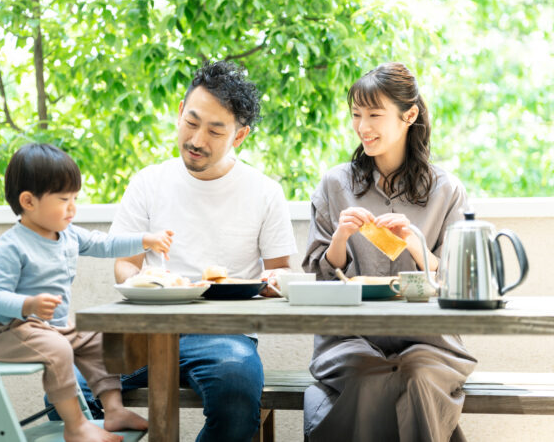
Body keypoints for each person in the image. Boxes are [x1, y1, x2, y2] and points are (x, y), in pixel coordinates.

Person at [75, 60, 298, 442]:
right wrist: (145, 280)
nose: (197, 140)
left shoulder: (264, 191)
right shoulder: (148, 182)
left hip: (224, 336)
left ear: (239, 136)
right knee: (65, 385)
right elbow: (124, 266)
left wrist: (276, 281)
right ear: (180, 113)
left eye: (215, 131)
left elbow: (282, 271)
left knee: (236, 397)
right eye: (191, 123)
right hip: (145, 332)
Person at [301, 63, 477, 441]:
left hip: (429, 340)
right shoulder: (336, 184)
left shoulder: (446, 189)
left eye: (375, 115)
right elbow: (318, 280)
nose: (363, 126)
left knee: (416, 376)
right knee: (370, 374)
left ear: (408, 115)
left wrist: (417, 246)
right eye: (356, 115)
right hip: (349, 339)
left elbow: (459, 283)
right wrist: (340, 240)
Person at [0, 143, 173, 442]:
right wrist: (28, 303)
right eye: (63, 199)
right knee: (59, 350)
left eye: (75, 198)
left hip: (52, 328)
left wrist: (145, 240)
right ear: (29, 201)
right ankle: (75, 426)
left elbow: (105, 244)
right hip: (9, 332)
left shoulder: (68, 234)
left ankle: (113, 410)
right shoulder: (12, 245)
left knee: (100, 339)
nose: (73, 207)